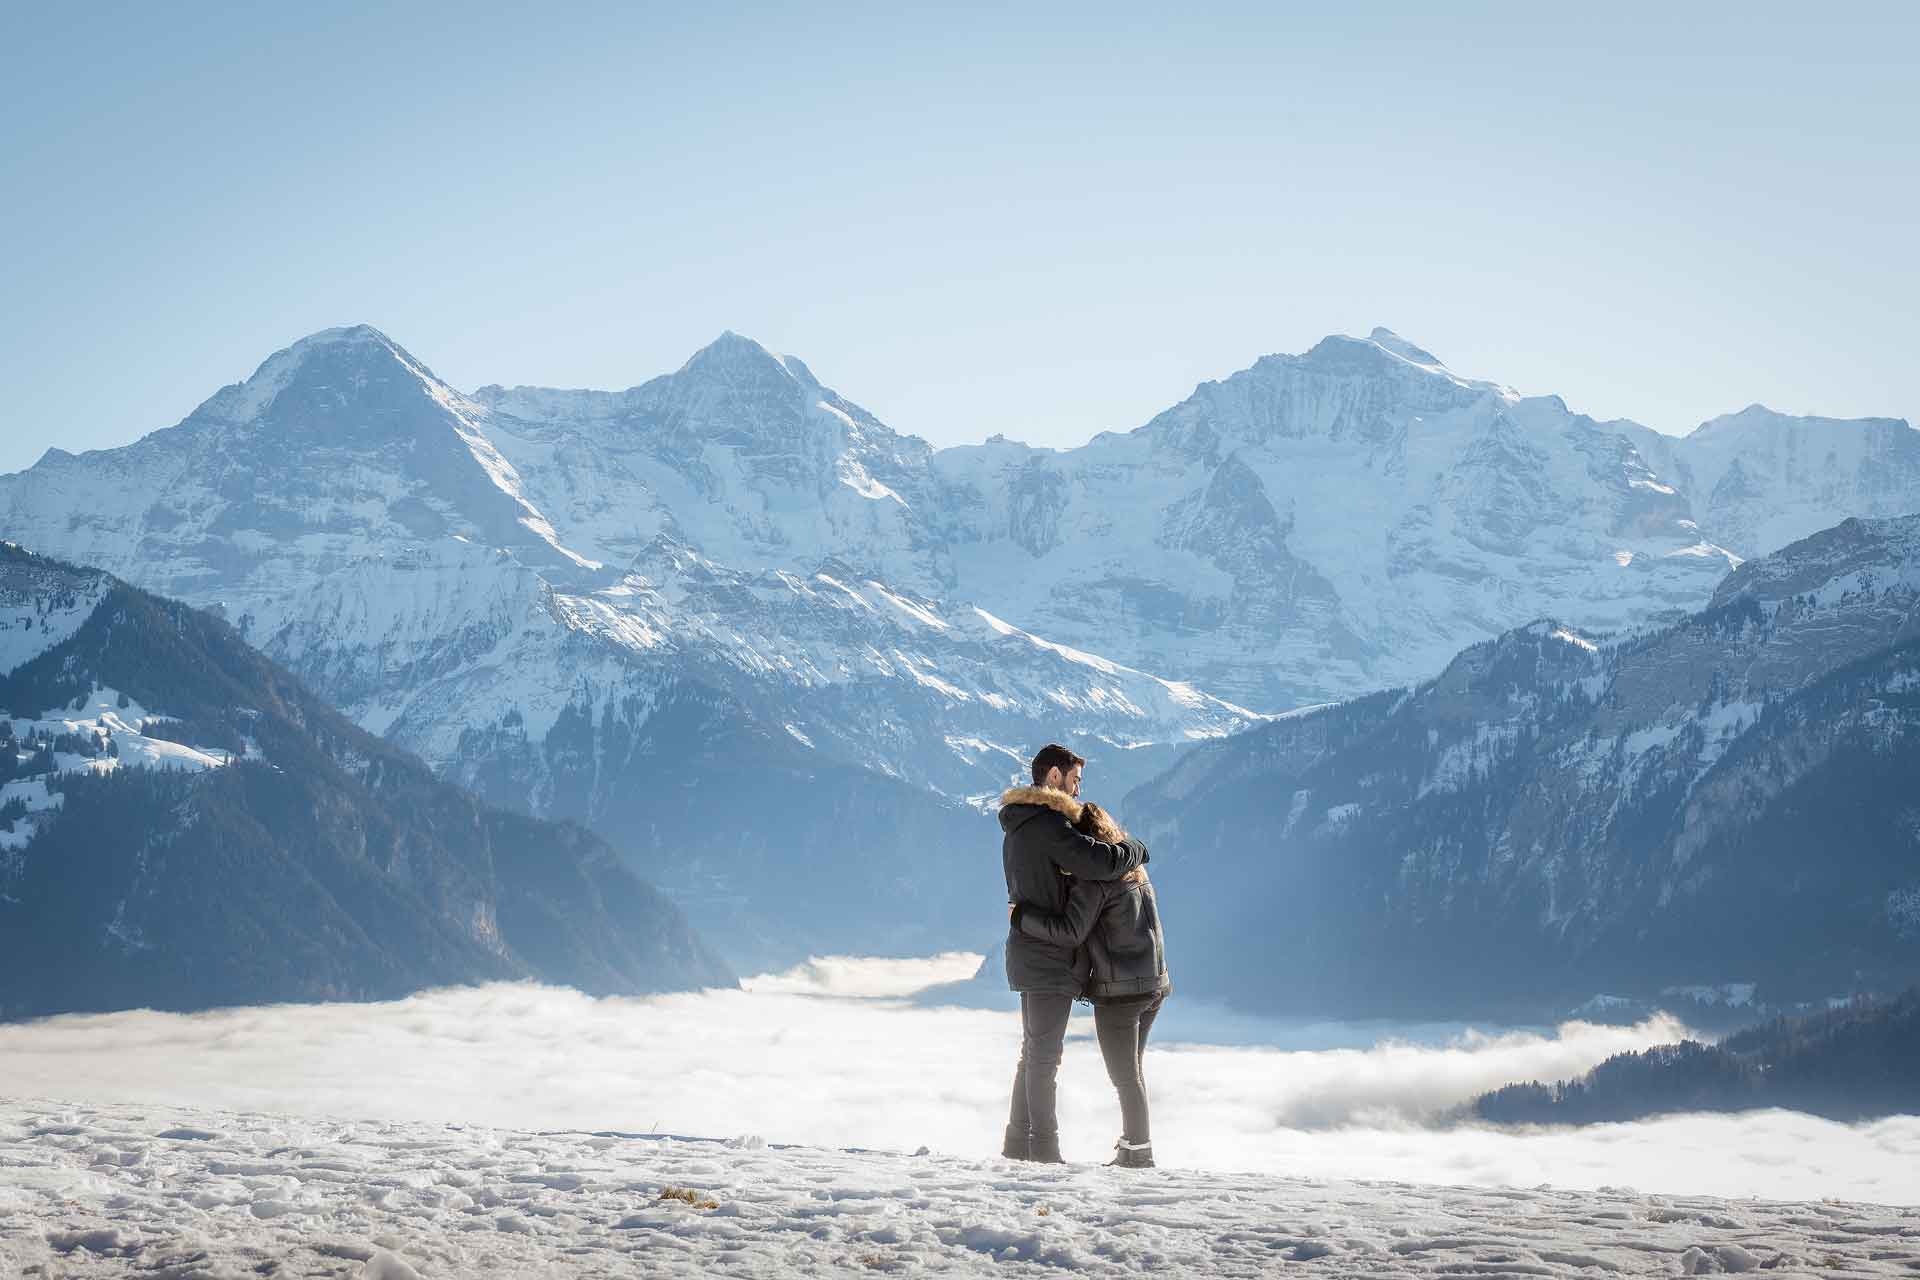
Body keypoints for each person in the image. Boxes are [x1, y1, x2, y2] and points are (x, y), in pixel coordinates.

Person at [999, 743, 1148, 1164]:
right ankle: (1044, 1152)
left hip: (1031, 952)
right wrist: (1137, 847)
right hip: (1050, 955)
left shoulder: (1020, 824)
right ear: (1053, 777)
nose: (1079, 791)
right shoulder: (1047, 826)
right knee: (1045, 1058)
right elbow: (1101, 863)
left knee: (1033, 1055)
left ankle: (1016, 1144)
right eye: (1075, 780)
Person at [1011, 800, 1171, 1169]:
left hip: (1122, 993)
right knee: (1133, 1072)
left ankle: (1138, 1153)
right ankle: (1135, 1147)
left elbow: (1069, 932)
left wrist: (1021, 918)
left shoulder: (1096, 881)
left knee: (1124, 1077)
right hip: (1155, 986)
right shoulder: (1135, 871)